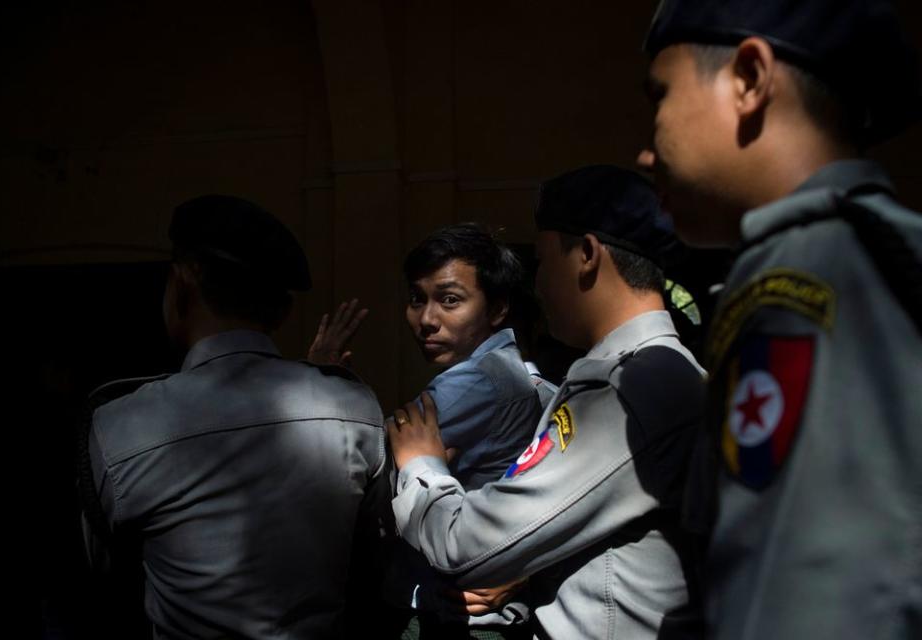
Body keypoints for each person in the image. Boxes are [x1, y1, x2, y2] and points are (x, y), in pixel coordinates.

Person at [638, 1, 922, 637]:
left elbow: (811, 587)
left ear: (748, 78)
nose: (646, 149)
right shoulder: (879, 249)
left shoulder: (806, 274)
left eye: (659, 96)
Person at [387, 165, 707, 639]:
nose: (536, 286)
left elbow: (463, 543)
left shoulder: (626, 390)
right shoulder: (659, 373)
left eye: (542, 261)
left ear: (586, 255)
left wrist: (421, 466)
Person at [78, 195, 385, 639]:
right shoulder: (356, 409)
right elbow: (371, 563)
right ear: (283, 310)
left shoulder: (117, 423)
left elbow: (103, 580)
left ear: (182, 282)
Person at [311, 223, 545, 635]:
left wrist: (325, 381)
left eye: (449, 300)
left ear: (497, 308)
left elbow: (362, 460)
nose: (426, 319)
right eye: (417, 299)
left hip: (456, 619)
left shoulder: (475, 382)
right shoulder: (511, 374)